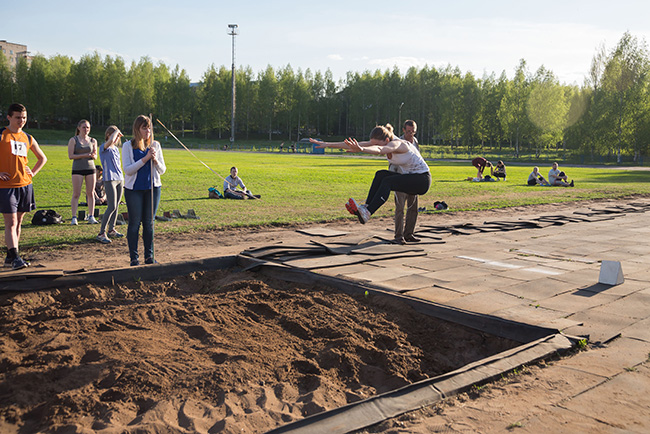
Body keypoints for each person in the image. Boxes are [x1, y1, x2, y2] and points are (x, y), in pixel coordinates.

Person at [312, 123, 431, 224]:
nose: (375, 146)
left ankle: (368, 212)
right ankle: (366, 207)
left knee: (387, 181)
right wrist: (327, 144)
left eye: (377, 144)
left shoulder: (399, 144)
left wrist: (362, 150)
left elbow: (380, 150)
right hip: (410, 177)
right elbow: (353, 144)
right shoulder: (383, 141)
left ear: (387, 141)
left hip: (422, 180)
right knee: (381, 174)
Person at [0, 103, 47, 270]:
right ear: (9, 117)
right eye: (18, 117)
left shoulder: (28, 137)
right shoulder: (2, 135)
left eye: (24, 118)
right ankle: (16, 258)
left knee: (18, 222)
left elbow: (42, 158)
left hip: (25, 185)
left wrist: (32, 172)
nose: (22, 121)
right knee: (11, 222)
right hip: (6, 187)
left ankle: (10, 257)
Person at [122, 115, 166, 266]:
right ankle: (134, 258)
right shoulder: (128, 146)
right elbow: (128, 170)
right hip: (134, 190)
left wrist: (155, 160)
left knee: (149, 223)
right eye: (144, 128)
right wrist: (145, 159)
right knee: (134, 223)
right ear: (137, 129)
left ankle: (149, 257)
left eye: (149, 128)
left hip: (153, 189)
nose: (147, 131)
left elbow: (162, 170)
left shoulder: (155, 145)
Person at [392, 120, 420, 244]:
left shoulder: (416, 142)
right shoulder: (398, 143)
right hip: (400, 179)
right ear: (403, 130)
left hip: (414, 179)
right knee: (400, 209)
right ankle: (398, 236)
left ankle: (409, 233)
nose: (411, 134)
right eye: (408, 131)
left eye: (413, 131)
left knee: (413, 208)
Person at [97, 126, 125, 244]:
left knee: (117, 205)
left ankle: (111, 229)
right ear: (108, 135)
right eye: (115, 135)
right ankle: (101, 233)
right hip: (110, 179)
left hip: (119, 178)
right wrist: (117, 132)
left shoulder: (116, 149)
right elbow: (110, 141)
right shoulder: (104, 147)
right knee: (111, 206)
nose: (117, 138)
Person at [68, 119, 98, 225]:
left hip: (90, 168)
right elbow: (71, 156)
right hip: (77, 169)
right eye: (84, 127)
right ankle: (74, 217)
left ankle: (91, 216)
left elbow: (95, 155)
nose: (86, 129)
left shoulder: (93, 140)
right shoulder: (74, 140)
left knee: (90, 193)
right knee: (76, 193)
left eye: (88, 127)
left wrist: (93, 156)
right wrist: (85, 155)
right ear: (79, 128)